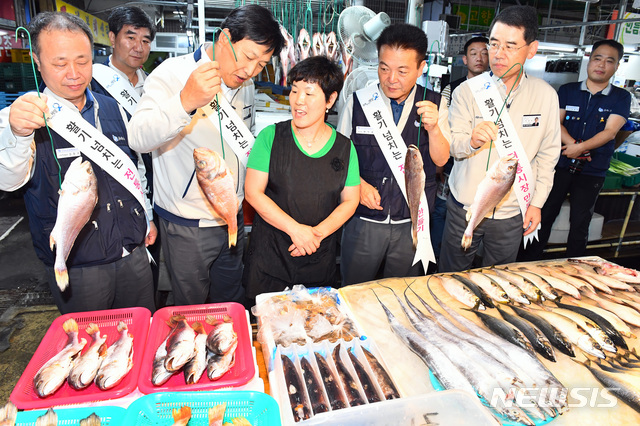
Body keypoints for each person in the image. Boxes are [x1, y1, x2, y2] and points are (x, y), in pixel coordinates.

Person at [128, 4, 284, 306]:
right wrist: (185, 101)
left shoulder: (246, 84)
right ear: (225, 38)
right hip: (188, 223)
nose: (250, 71)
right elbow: (138, 136)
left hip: (231, 217)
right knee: (191, 305)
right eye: (249, 57)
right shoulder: (172, 74)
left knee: (231, 299)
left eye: (261, 63)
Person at [0, 12, 155, 314]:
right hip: (78, 263)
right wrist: (18, 134)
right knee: (89, 346)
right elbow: (9, 181)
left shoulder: (112, 107)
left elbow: (132, 166)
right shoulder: (21, 117)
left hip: (132, 253)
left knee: (142, 335)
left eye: (82, 61)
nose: (73, 73)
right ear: (37, 60)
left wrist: (146, 215)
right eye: (60, 63)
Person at [439, 5, 561, 272]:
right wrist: (471, 141)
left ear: (532, 49)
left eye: (510, 46)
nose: (498, 54)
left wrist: (537, 203)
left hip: (511, 212)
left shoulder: (545, 95)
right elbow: (453, 147)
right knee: (450, 276)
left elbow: (548, 155)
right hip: (465, 208)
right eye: (493, 44)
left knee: (500, 279)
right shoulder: (468, 91)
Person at [337, 23, 451, 286]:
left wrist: (434, 129)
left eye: (402, 71)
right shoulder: (357, 102)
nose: (391, 79)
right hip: (364, 220)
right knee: (355, 291)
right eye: (384, 68)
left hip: (411, 222)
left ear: (421, 68)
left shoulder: (434, 102)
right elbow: (338, 159)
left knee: (402, 296)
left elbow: (441, 160)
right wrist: (358, 184)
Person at [243, 56, 359, 300]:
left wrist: (315, 234)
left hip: (318, 259)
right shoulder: (271, 137)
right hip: (269, 259)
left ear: (331, 100)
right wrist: (296, 230)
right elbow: (253, 192)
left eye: (309, 93)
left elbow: (350, 200)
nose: (298, 101)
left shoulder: (345, 148)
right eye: (294, 91)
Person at [522, 40, 631, 259]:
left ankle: (576, 266)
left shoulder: (621, 97)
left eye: (610, 61)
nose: (601, 65)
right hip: (560, 165)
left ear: (617, 66)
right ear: (590, 60)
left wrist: (579, 148)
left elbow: (610, 132)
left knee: (581, 222)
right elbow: (555, 122)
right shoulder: (568, 90)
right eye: (597, 58)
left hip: (592, 170)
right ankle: (527, 261)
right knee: (545, 214)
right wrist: (573, 146)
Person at [90, 6, 167, 305]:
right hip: (114, 193)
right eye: (130, 37)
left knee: (150, 267)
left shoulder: (154, 86)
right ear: (112, 38)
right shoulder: (93, 81)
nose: (139, 47)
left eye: (146, 40)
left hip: (154, 189)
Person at [432, 36, 489, 263]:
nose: (479, 58)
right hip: (451, 165)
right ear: (465, 59)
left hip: (481, 168)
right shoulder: (451, 89)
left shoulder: (497, 92)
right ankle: (437, 255)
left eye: (484, 52)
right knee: (442, 211)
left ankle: (470, 256)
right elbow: (442, 127)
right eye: (473, 53)